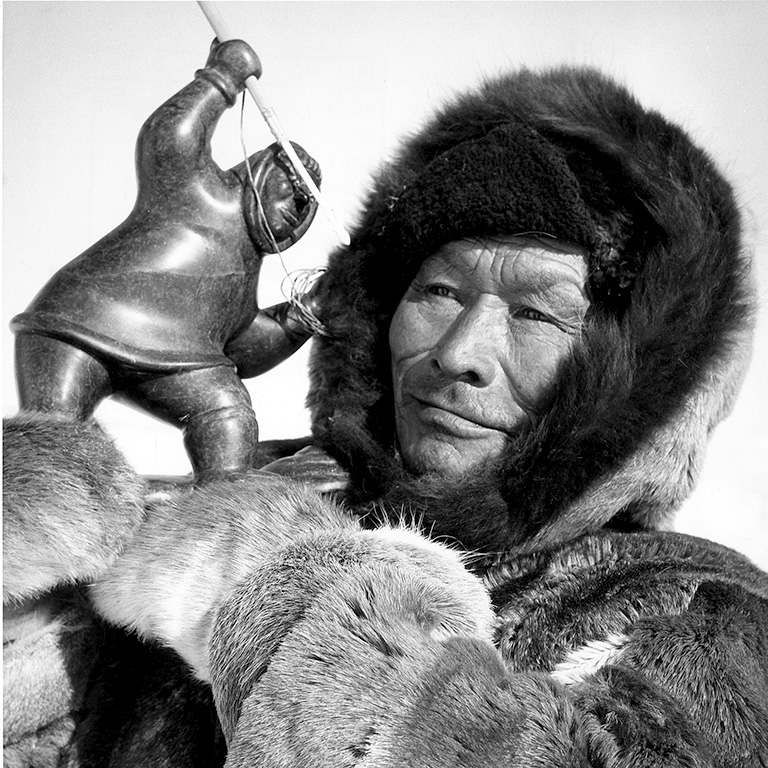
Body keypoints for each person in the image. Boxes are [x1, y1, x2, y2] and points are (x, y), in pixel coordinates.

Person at [4, 65, 768, 767]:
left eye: (538, 313)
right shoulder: (218, 506)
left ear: (638, 382)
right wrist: (37, 581)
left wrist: (293, 599)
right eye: (438, 292)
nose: (460, 352)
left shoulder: (707, 611)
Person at [10, 39, 322, 482]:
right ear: (264, 171)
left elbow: (240, 346)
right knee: (55, 443)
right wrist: (221, 80)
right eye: (295, 192)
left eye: (308, 210)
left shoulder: (246, 271)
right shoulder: (198, 187)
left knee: (227, 412)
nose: (298, 212)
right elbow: (169, 137)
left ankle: (224, 503)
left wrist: (299, 319)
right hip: (77, 328)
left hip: (176, 358)